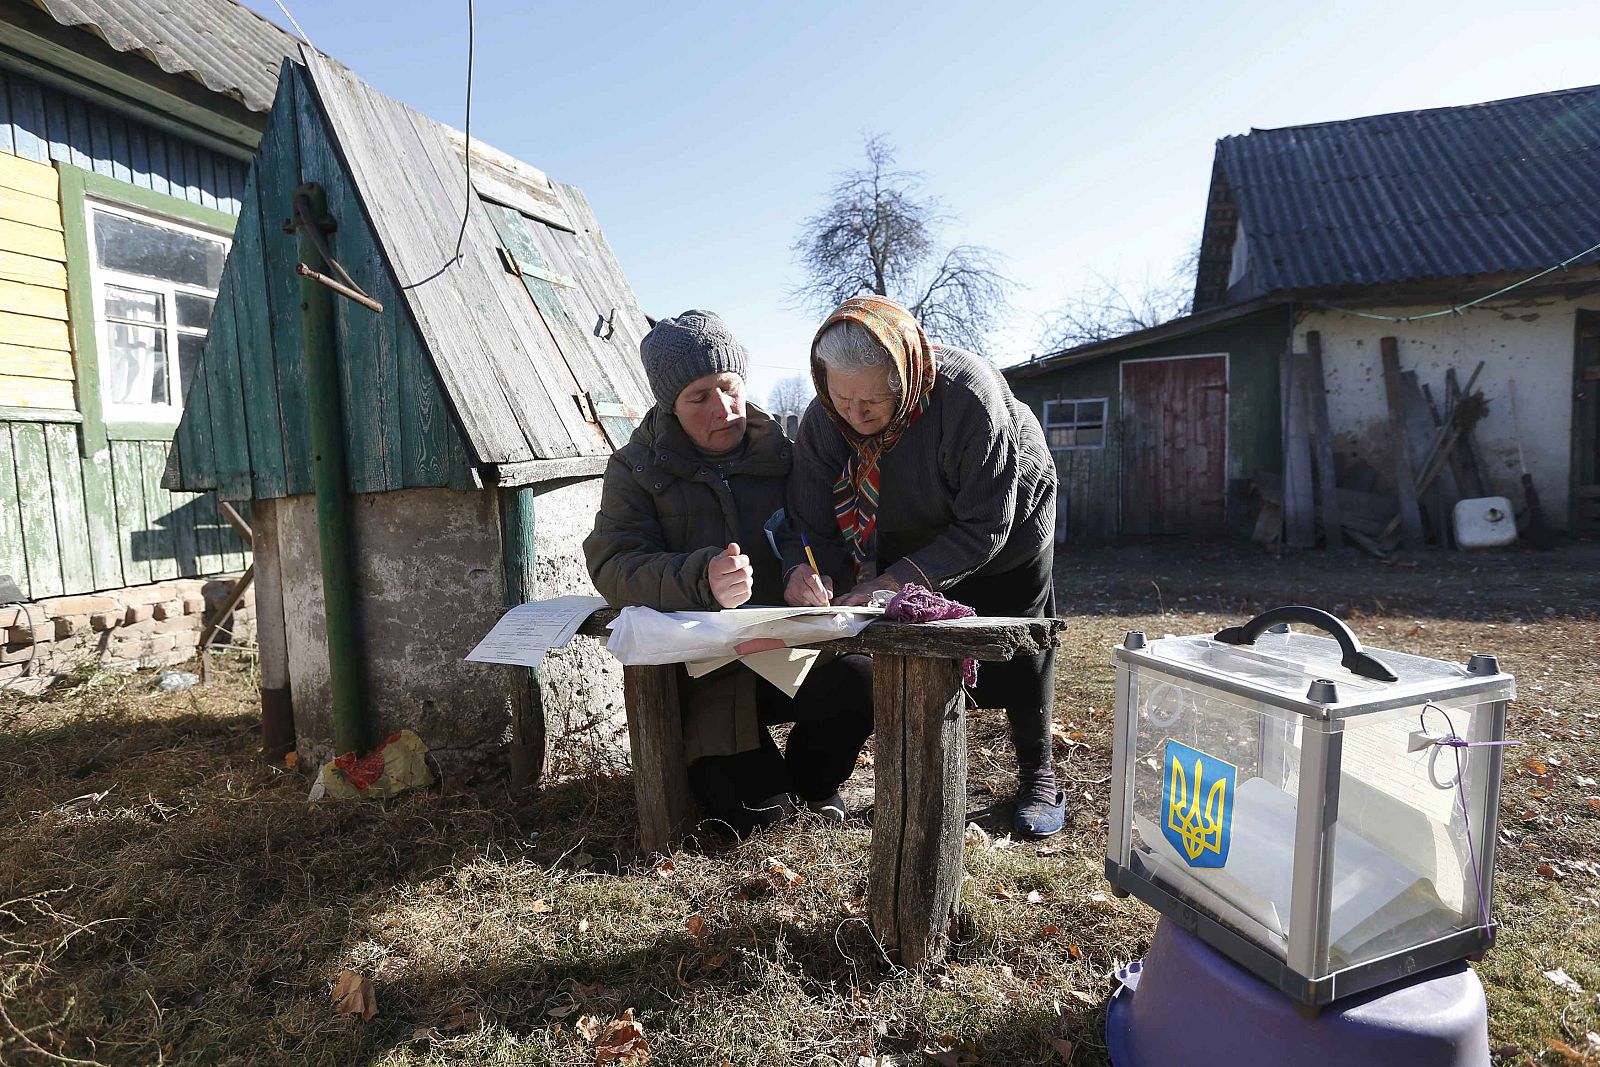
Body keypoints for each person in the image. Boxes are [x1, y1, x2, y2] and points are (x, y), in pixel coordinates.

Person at [782, 295, 1065, 837]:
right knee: (906, 640)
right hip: (902, 526)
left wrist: (894, 580)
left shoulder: (968, 400)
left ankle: (1038, 772)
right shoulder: (826, 418)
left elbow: (985, 525)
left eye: (871, 400)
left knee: (1018, 640)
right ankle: (921, 771)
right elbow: (808, 520)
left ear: (906, 375)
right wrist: (809, 571)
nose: (855, 415)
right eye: (842, 397)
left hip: (1006, 528)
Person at [584, 310, 874, 837]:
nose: (724, 408)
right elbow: (613, 563)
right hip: (702, 673)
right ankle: (768, 792)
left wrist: (804, 574)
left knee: (859, 679)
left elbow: (814, 534)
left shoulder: (784, 456)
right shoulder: (637, 468)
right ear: (669, 406)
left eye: (729, 387)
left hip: (777, 652)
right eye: (699, 397)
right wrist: (701, 578)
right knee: (760, 824)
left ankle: (813, 784)